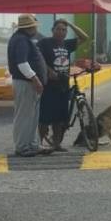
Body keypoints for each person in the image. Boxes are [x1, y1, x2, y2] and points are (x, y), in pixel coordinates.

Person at [38, 18, 90, 151]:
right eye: (58, 29)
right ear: (52, 30)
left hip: (63, 85)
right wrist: (49, 70)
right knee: (45, 117)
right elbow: (39, 59)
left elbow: (84, 37)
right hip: (49, 86)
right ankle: (39, 143)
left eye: (64, 30)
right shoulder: (45, 43)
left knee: (60, 118)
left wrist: (70, 24)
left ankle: (56, 144)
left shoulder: (67, 44)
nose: (61, 32)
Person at [7, 13, 51, 157]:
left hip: (27, 83)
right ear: (29, 28)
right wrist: (35, 78)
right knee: (25, 116)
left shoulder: (21, 39)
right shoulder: (21, 40)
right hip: (25, 83)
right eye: (34, 26)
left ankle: (32, 144)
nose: (36, 29)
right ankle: (22, 146)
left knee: (32, 117)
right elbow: (22, 63)